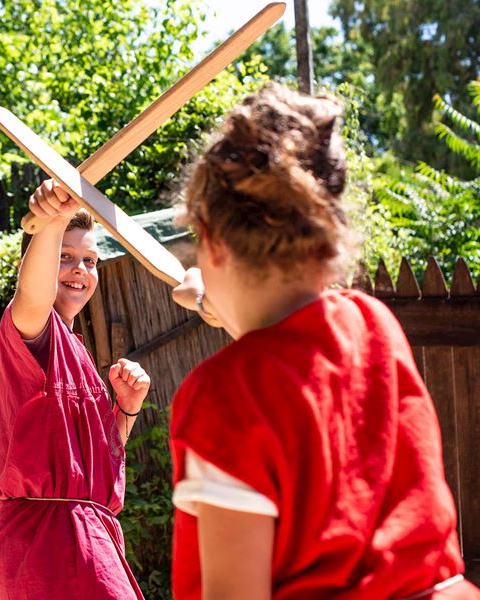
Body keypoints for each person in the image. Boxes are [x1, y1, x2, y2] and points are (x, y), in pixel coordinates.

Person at [168, 83, 480, 599]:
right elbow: (300, 340)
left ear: (213, 243)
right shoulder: (375, 325)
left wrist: (214, 298)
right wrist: (213, 298)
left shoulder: (223, 395)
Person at [0, 182, 150, 599]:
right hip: (44, 542)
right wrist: (52, 223)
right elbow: (32, 294)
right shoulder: (30, 327)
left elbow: (95, 463)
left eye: (90, 260)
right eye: (65, 256)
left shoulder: (76, 349)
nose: (80, 269)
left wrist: (125, 412)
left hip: (86, 536)